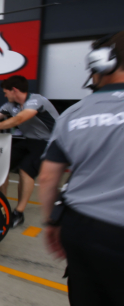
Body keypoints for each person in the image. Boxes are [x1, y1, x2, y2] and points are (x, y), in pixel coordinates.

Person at [38, 32, 124, 305]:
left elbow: (48, 176)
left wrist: (51, 221)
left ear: (101, 65)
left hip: (82, 230)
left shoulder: (73, 115)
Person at [0, 75, 59, 227]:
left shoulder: (36, 101)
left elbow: (19, 119)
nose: (5, 95)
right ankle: (0, 203)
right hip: (30, 141)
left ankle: (18, 214)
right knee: (2, 165)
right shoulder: (10, 106)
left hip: (49, 142)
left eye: (6, 92)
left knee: (25, 170)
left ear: (14, 90)